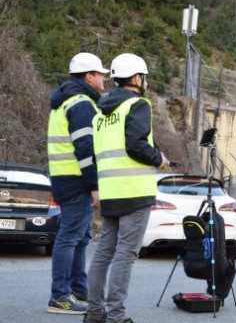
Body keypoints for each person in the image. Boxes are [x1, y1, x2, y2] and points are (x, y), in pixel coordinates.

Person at [85, 53, 169, 323]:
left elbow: (108, 149)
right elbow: (135, 145)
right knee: (125, 254)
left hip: (110, 191)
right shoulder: (137, 104)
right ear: (136, 78)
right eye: (144, 77)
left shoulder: (101, 112)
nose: (145, 82)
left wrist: (154, 151)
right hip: (134, 191)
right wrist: (159, 159)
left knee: (103, 252)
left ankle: (95, 313)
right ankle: (117, 317)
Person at [47, 52, 107, 315]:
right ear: (89, 76)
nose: (104, 79)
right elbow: (85, 148)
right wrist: (94, 185)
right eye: (100, 74)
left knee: (80, 237)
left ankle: (78, 289)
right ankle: (60, 296)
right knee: (70, 237)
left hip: (66, 177)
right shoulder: (81, 103)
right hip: (75, 179)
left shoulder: (67, 101)